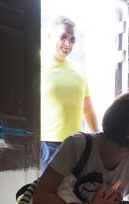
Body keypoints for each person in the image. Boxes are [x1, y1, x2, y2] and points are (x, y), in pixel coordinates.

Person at [40, 16, 99, 173]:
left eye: (72, 39)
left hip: (76, 144)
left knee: (73, 193)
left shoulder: (80, 70)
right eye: (63, 37)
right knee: (45, 193)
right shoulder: (37, 66)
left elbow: (87, 109)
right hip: (46, 144)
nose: (68, 43)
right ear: (48, 36)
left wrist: (98, 140)